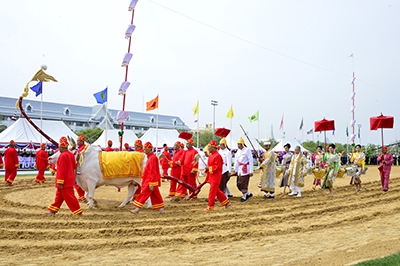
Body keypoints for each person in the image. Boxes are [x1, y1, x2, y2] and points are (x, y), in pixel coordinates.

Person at [46, 137, 83, 215]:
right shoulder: (71, 155)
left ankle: (78, 211)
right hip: (69, 179)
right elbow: (74, 167)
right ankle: (53, 210)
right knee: (59, 197)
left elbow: (61, 170)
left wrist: (60, 181)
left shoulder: (63, 156)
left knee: (70, 197)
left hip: (64, 182)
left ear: (60, 147)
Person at [131, 142, 165, 214]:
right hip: (149, 180)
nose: (144, 151)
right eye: (144, 149)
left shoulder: (152, 158)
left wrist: (151, 183)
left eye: (146, 149)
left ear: (150, 149)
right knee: (156, 195)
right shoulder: (151, 157)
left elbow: (152, 171)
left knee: (144, 194)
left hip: (150, 181)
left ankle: (137, 209)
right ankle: (161, 209)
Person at [204, 140, 231, 211]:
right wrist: (207, 169)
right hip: (211, 176)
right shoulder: (211, 155)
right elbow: (210, 166)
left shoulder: (217, 156)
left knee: (212, 192)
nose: (208, 148)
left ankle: (210, 206)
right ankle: (226, 202)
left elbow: (217, 167)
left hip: (216, 177)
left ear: (213, 148)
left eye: (209, 147)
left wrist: (209, 168)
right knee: (216, 191)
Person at [233, 137, 253, 202]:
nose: (238, 145)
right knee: (238, 184)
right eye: (238, 144)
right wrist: (235, 169)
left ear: (243, 144)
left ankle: (244, 196)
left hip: (246, 169)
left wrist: (251, 170)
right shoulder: (237, 152)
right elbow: (236, 161)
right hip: (239, 170)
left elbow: (250, 160)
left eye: (240, 144)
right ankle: (248, 193)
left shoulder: (247, 150)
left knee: (243, 183)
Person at [75, 135, 87, 202]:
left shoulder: (82, 149)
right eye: (77, 140)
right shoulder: (82, 148)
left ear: (82, 141)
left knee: (78, 183)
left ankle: (82, 196)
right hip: (81, 167)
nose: (77, 142)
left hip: (80, 168)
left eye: (78, 141)